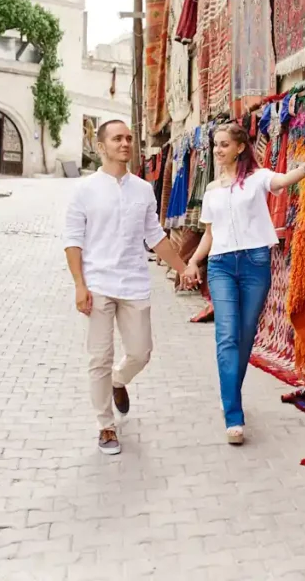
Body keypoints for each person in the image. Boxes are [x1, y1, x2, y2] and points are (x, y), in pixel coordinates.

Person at [184, 122, 305, 445]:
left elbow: (282, 180)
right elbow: (209, 234)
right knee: (226, 336)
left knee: (246, 335)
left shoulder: (258, 178)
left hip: (255, 264)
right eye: (215, 145)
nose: (218, 150)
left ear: (239, 147)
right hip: (221, 265)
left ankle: (230, 393)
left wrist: (304, 169)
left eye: (224, 144)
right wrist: (194, 261)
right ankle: (233, 415)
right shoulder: (211, 190)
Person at [63, 119, 193, 455]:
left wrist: (182, 269)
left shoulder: (143, 189)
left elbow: (156, 237)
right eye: (117, 138)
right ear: (101, 146)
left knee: (140, 352)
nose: (125, 144)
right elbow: (73, 241)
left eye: (129, 138)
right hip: (98, 283)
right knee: (99, 357)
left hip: (134, 281)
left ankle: (119, 381)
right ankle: (105, 426)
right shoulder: (84, 190)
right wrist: (79, 285)